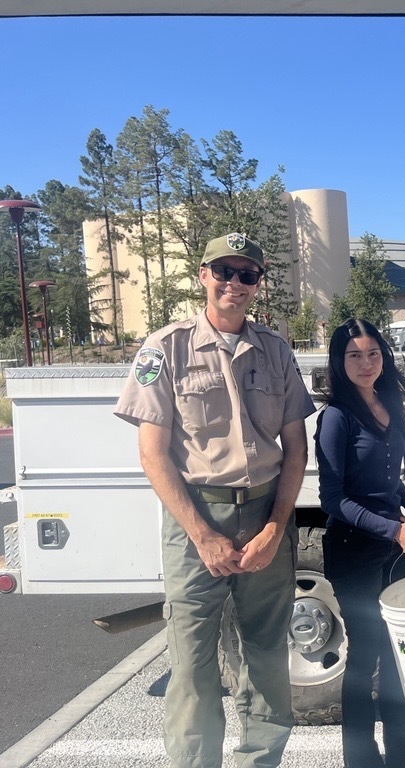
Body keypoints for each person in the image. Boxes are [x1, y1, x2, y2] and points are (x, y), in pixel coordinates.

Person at [114, 232, 314, 768]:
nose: (235, 283)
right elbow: (153, 456)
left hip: (265, 512)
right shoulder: (166, 347)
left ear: (258, 283)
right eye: (224, 271)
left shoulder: (275, 350)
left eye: (247, 274)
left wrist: (275, 528)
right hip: (194, 518)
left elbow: (295, 450)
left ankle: (259, 760)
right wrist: (202, 535)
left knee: (268, 656)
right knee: (193, 665)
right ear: (203, 275)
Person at [314, 317, 405, 768]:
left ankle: (404, 755)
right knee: (366, 656)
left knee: (400, 652)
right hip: (353, 552)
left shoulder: (390, 404)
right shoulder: (335, 417)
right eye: (354, 355)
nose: (366, 363)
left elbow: (388, 483)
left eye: (373, 354)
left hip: (394, 550)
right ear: (338, 361)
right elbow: (333, 498)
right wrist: (393, 529)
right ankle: (361, 760)